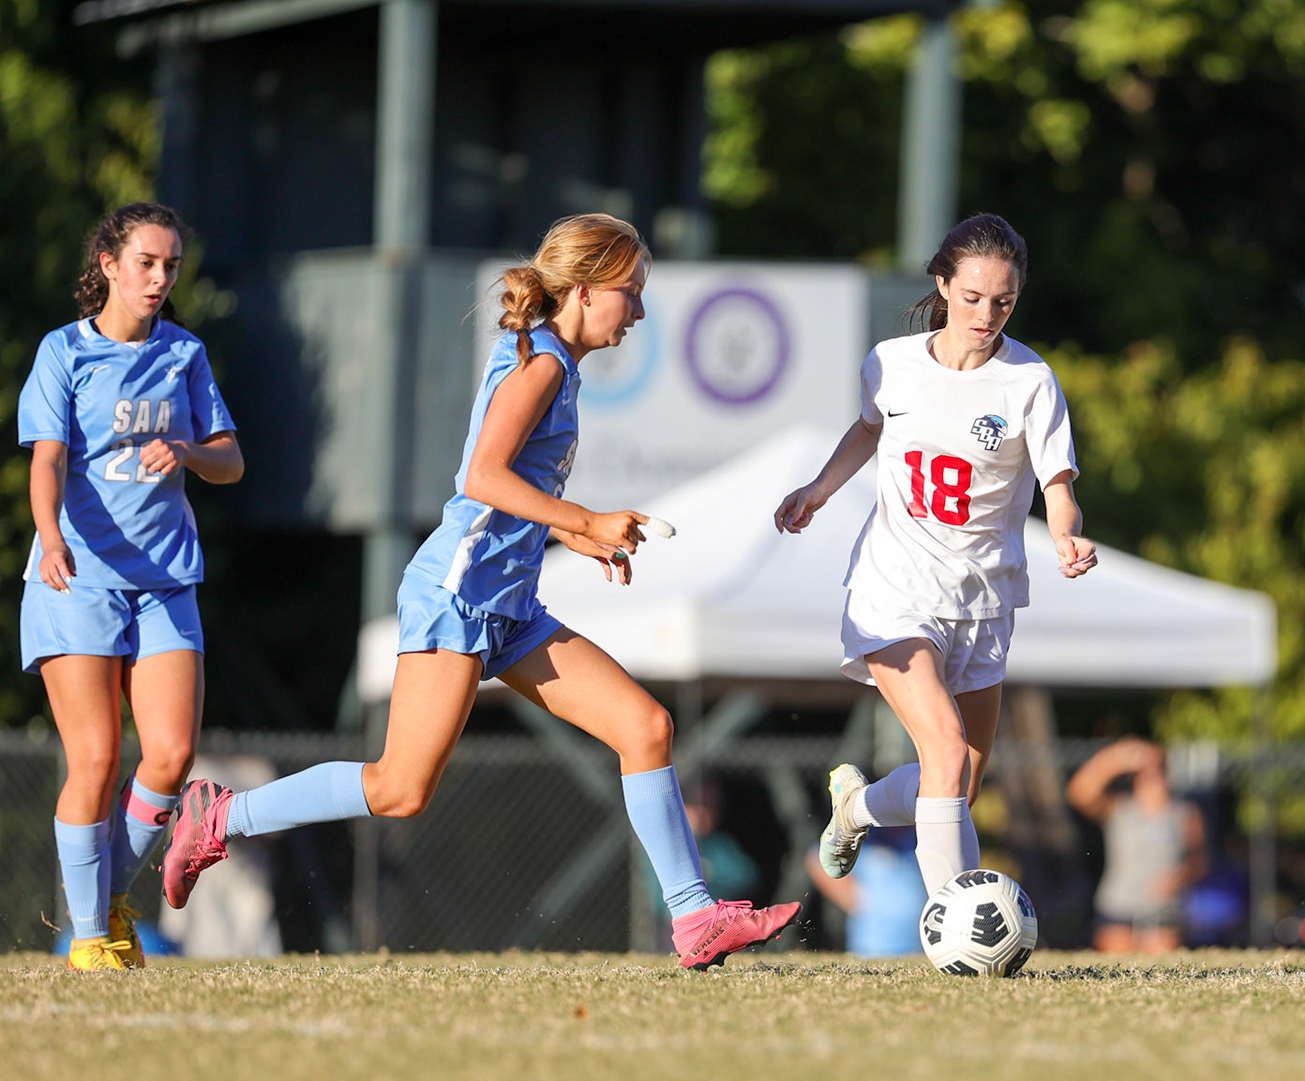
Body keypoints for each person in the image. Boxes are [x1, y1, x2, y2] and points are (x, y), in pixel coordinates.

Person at [161, 213, 797, 969]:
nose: (640, 312)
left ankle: (694, 920)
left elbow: (506, 496)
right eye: (631, 293)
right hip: (458, 596)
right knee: (400, 787)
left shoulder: (554, 360)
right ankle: (221, 816)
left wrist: (576, 535)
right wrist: (586, 514)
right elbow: (480, 479)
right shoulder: (545, 365)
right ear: (587, 290)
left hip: (510, 604)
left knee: (646, 728)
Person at [774, 213, 1096, 896]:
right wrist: (819, 490)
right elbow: (867, 431)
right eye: (973, 297)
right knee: (944, 753)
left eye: (1004, 301)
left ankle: (855, 808)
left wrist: (1067, 529)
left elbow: (1058, 481)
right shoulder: (891, 363)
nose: (987, 314)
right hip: (893, 590)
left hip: (983, 599)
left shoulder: (1030, 382)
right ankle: (957, 923)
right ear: (943, 284)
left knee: (960, 781)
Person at [18, 203, 245, 970]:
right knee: (95, 761)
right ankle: (89, 939)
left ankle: (105, 895)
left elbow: (229, 460)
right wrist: (49, 535)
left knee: (172, 756)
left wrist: (185, 449)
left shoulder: (185, 354)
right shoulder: (64, 352)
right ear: (109, 264)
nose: (160, 277)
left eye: (171, 265)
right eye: (146, 262)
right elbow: (46, 460)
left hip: (165, 581)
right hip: (76, 578)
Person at [1065, 739, 1207, 953]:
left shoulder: (1185, 814)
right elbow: (1079, 793)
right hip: (1119, 908)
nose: (1154, 777)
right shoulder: (1120, 809)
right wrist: (1116, 759)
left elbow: (1200, 862)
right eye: (1146, 771)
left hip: (1163, 911)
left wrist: (1180, 876)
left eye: (1159, 769)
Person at [806, 826, 928, 957]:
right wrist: (857, 900)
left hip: (927, 945)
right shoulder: (863, 834)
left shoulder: (924, 830)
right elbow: (818, 858)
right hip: (873, 947)